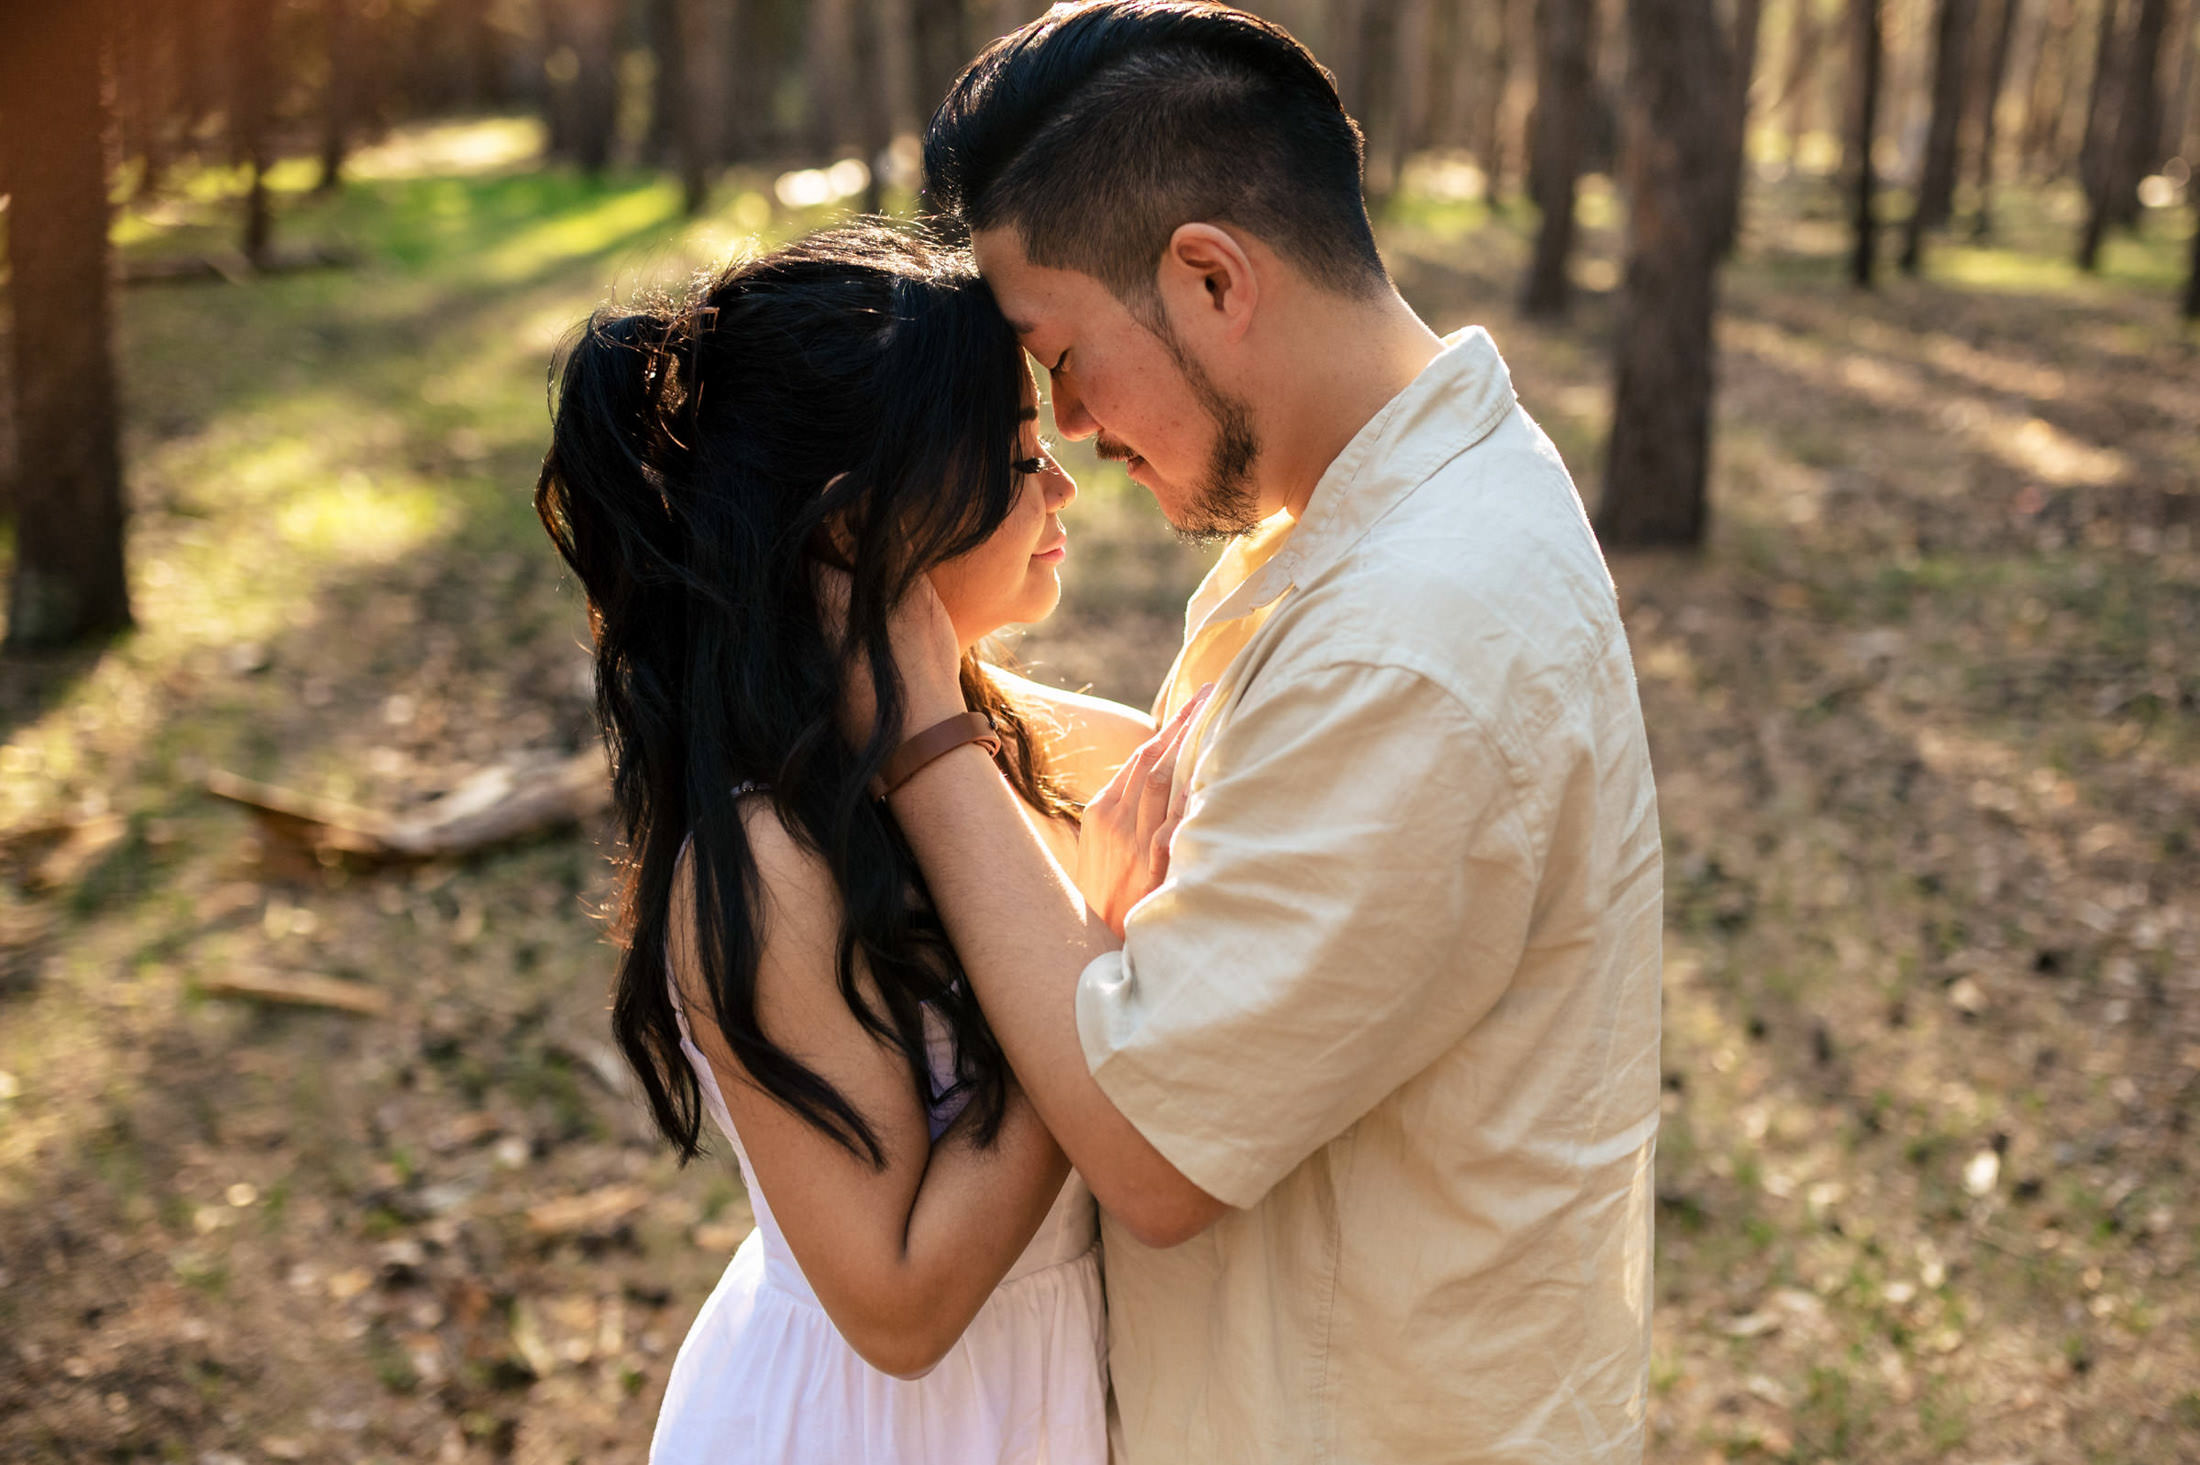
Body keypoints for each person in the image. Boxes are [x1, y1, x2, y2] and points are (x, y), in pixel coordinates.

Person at [872, 4, 1666, 1461]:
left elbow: (1150, 1146)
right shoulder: (1394, 504)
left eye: (1063, 353)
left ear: (1211, 278)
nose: (1067, 422)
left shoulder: (1409, 637)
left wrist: (921, 723)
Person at [533, 224, 1154, 1464]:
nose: (1063, 486)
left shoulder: (1060, 746)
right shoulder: (771, 862)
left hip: (1063, 1390)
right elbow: (898, 1305)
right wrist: (1099, 959)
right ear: (850, 525)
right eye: (1014, 457)